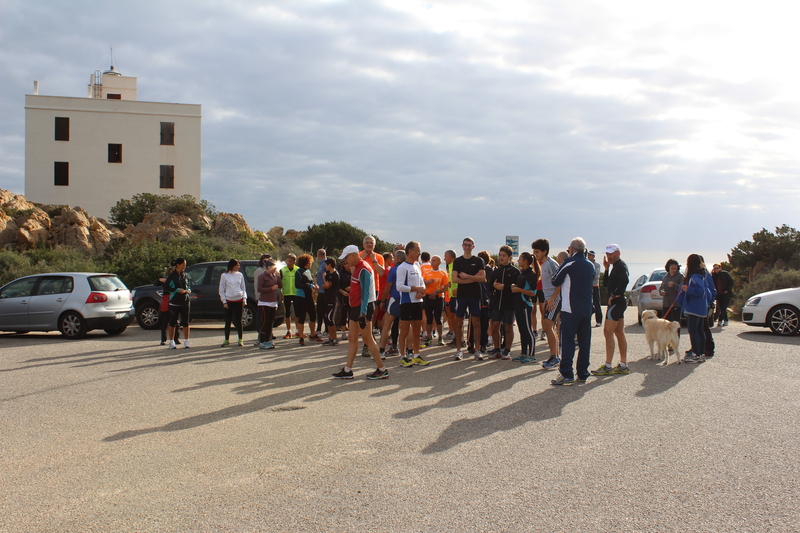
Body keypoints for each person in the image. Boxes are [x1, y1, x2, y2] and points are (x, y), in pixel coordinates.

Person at [332, 245, 389, 380]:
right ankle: (348, 369)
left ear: (353, 255)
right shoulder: (356, 268)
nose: (345, 261)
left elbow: (366, 293)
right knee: (352, 338)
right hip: (356, 307)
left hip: (364, 308)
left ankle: (382, 369)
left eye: (346, 258)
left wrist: (363, 313)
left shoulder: (364, 269)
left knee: (367, 339)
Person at [550, 238, 595, 385]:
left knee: (568, 341)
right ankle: (582, 373)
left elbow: (555, 280)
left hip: (570, 308)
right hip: (586, 308)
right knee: (584, 342)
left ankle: (566, 373)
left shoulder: (569, 263)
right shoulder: (590, 265)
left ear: (571, 249)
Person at [592, 244, 630, 376]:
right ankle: (623, 365)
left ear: (618, 253)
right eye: (607, 254)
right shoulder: (614, 267)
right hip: (618, 303)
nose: (609, 256)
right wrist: (607, 269)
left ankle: (608, 365)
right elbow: (607, 283)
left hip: (616, 303)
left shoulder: (621, 266)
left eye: (611, 254)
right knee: (619, 332)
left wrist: (614, 295)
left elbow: (625, 280)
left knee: (608, 332)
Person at [451, 237, 487, 361]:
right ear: (462, 246)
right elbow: (455, 279)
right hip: (462, 296)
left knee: (476, 322)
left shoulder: (478, 260)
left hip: (475, 295)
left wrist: (466, 277)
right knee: (459, 322)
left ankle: (477, 349)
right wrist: (472, 279)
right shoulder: (458, 261)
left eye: (469, 245)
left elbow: (483, 278)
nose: (467, 247)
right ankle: (458, 350)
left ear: (473, 247)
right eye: (465, 245)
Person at [677, 254, 716, 363]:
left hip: (693, 308)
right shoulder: (703, 274)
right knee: (700, 331)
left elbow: (700, 291)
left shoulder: (694, 277)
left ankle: (696, 354)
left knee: (694, 331)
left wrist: (687, 289)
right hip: (701, 308)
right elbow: (707, 292)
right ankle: (701, 353)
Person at [396, 241, 429, 367]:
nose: (419, 253)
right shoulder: (402, 267)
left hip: (417, 302)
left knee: (416, 330)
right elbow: (399, 286)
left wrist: (422, 292)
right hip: (406, 302)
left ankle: (416, 355)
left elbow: (422, 283)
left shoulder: (417, 265)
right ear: (410, 251)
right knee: (404, 331)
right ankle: (403, 356)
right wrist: (416, 289)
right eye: (417, 250)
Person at [532, 239, 562, 370]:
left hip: (555, 300)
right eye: (534, 251)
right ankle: (553, 355)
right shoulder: (542, 264)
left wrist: (552, 299)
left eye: (537, 252)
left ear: (545, 252)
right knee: (547, 326)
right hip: (548, 299)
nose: (535, 254)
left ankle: (555, 357)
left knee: (548, 326)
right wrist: (545, 299)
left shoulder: (551, 264)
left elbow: (560, 282)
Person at [489, 245, 519, 359]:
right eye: (500, 255)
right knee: (495, 326)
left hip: (509, 304)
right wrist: (494, 287)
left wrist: (504, 287)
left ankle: (507, 350)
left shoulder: (515, 271)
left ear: (510, 257)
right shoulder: (496, 271)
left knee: (508, 327)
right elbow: (490, 286)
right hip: (497, 303)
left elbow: (517, 287)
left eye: (504, 256)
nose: (501, 257)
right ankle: (497, 349)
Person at [511, 252, 540, 363]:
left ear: (525, 261)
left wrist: (519, 290)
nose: (518, 261)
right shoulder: (521, 273)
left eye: (520, 259)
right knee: (522, 330)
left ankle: (532, 355)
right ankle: (523, 353)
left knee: (528, 330)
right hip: (518, 305)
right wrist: (515, 287)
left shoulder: (531, 275)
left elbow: (533, 292)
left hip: (525, 305)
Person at [378, 250, 405, 357]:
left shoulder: (394, 270)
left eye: (394, 257)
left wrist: (383, 300)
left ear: (398, 258)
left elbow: (388, 287)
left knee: (387, 325)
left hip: (395, 298)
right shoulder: (409, 268)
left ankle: (382, 351)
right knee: (406, 326)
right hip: (406, 299)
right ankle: (409, 351)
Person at [219, 258, 247, 347]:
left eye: (239, 265)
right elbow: (221, 289)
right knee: (228, 320)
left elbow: (243, 288)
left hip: (239, 299)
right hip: (229, 300)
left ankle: (240, 339)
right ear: (232, 265)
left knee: (239, 320)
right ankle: (226, 340)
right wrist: (224, 301)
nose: (238, 267)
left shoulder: (240, 275)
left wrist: (244, 299)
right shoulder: (224, 275)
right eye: (236, 265)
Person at [423, 255, 449, 346]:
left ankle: (440, 337)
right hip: (428, 297)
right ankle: (429, 337)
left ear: (439, 262)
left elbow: (446, 287)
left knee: (438, 318)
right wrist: (427, 282)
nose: (432, 262)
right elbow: (421, 283)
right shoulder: (426, 272)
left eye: (434, 260)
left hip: (438, 298)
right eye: (431, 260)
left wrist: (437, 291)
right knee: (429, 318)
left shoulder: (443, 273)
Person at [165, 257, 191, 349]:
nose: (184, 266)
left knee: (186, 322)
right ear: (178, 265)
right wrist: (176, 290)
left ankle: (187, 341)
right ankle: (171, 341)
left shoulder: (185, 275)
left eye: (185, 265)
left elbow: (188, 284)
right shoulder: (171, 276)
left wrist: (188, 290)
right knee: (173, 322)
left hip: (185, 301)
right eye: (183, 265)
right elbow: (166, 287)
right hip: (174, 302)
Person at [293, 254, 318, 346]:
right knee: (302, 317)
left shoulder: (308, 271)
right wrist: (309, 285)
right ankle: (301, 337)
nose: (311, 263)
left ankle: (312, 334)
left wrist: (315, 285)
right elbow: (297, 284)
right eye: (309, 262)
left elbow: (310, 282)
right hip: (301, 297)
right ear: (305, 263)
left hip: (309, 297)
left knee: (313, 316)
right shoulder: (298, 272)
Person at [256, 258, 280, 349]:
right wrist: (271, 288)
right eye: (274, 267)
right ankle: (262, 342)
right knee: (264, 323)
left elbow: (280, 285)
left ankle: (268, 340)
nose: (275, 269)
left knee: (270, 323)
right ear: (268, 267)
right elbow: (259, 289)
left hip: (272, 303)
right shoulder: (262, 276)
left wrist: (278, 277)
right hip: (264, 303)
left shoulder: (274, 276)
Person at [155, 264, 180, 346]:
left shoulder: (179, 279)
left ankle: (176, 338)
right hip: (166, 300)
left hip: (175, 300)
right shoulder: (166, 280)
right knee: (164, 321)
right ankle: (163, 339)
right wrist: (159, 279)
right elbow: (155, 283)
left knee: (175, 321)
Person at [319, 258, 340, 346]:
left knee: (330, 318)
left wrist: (323, 278)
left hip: (332, 299)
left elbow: (327, 285)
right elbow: (323, 287)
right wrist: (325, 282)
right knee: (326, 319)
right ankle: (330, 338)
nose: (324, 266)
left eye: (326, 265)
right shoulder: (328, 274)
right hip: (326, 298)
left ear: (330, 265)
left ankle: (335, 338)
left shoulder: (335, 274)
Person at [280, 254, 300, 339]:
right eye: (287, 261)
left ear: (295, 262)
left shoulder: (298, 270)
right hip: (286, 294)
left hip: (296, 294)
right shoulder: (282, 270)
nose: (288, 263)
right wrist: (281, 293)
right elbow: (280, 283)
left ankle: (298, 331)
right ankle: (289, 331)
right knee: (287, 313)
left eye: (290, 261)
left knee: (297, 313)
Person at [660, 259, 684, 327]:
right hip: (666, 304)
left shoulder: (680, 276)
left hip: (675, 304)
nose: (674, 266)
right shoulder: (665, 277)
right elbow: (661, 288)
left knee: (675, 325)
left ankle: (675, 338)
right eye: (671, 265)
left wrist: (674, 285)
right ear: (668, 267)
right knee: (666, 325)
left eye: (675, 265)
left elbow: (683, 289)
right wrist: (662, 291)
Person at [443, 249, 458, 341]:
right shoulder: (450, 266)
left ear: (449, 257)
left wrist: (458, 289)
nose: (444, 259)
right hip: (451, 295)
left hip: (457, 296)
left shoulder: (457, 265)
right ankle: (456, 337)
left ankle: (459, 339)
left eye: (445, 257)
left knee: (457, 318)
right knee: (452, 316)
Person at [588, 250, 603, 327]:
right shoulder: (586, 263)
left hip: (594, 286)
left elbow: (596, 275)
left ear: (593, 256)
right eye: (588, 255)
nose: (589, 256)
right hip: (587, 286)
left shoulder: (597, 265)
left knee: (596, 303)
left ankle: (599, 320)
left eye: (590, 255)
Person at [314, 249, 327, 336]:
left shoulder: (325, 264)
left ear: (318, 255)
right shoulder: (321, 264)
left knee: (324, 311)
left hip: (324, 291)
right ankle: (318, 328)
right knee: (319, 311)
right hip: (320, 291)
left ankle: (326, 330)